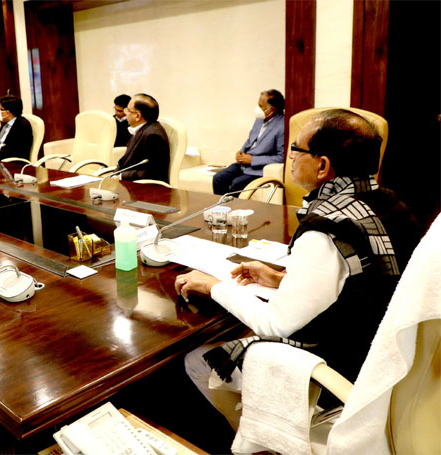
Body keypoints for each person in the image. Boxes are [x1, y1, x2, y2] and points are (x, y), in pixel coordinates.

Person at [176, 109, 421, 430]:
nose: (290, 157)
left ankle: (264, 440)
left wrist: (212, 286)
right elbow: (364, 283)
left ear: (322, 166)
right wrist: (281, 280)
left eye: (296, 149)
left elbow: (274, 324)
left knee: (197, 361)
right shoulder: (392, 205)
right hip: (388, 355)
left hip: (344, 367)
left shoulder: (325, 229)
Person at [213, 90, 285, 195]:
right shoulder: (260, 119)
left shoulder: (282, 126)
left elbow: (281, 157)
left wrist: (252, 160)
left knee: (237, 183)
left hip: (259, 168)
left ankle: (233, 206)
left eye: (261, 106)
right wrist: (241, 152)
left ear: (272, 109)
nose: (257, 109)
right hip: (244, 164)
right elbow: (250, 140)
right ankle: (221, 205)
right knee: (218, 178)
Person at [115, 93, 170, 182]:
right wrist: (114, 174)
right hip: (129, 183)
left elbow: (154, 172)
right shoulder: (140, 129)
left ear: (137, 116)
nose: (125, 113)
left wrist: (121, 176)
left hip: (146, 188)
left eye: (128, 110)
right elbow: (124, 162)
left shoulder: (153, 136)